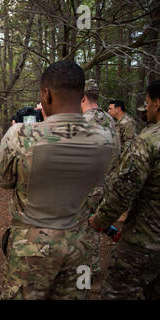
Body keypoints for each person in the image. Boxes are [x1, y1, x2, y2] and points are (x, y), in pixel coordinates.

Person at [0, 60, 119, 300]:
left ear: (46, 94)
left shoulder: (20, 135)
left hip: (31, 247)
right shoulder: (107, 136)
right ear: (82, 96)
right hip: (80, 246)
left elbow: (4, 180)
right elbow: (106, 173)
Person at [89, 80, 160, 299]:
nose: (145, 108)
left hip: (145, 241)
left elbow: (123, 191)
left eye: (147, 103)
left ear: (157, 103)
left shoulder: (148, 142)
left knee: (115, 293)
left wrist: (99, 220)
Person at [80, 79, 120, 279]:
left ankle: (85, 277)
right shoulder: (109, 119)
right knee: (94, 228)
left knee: (84, 232)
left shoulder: (83, 121)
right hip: (105, 182)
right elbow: (117, 149)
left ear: (83, 97)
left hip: (86, 185)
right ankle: (91, 270)